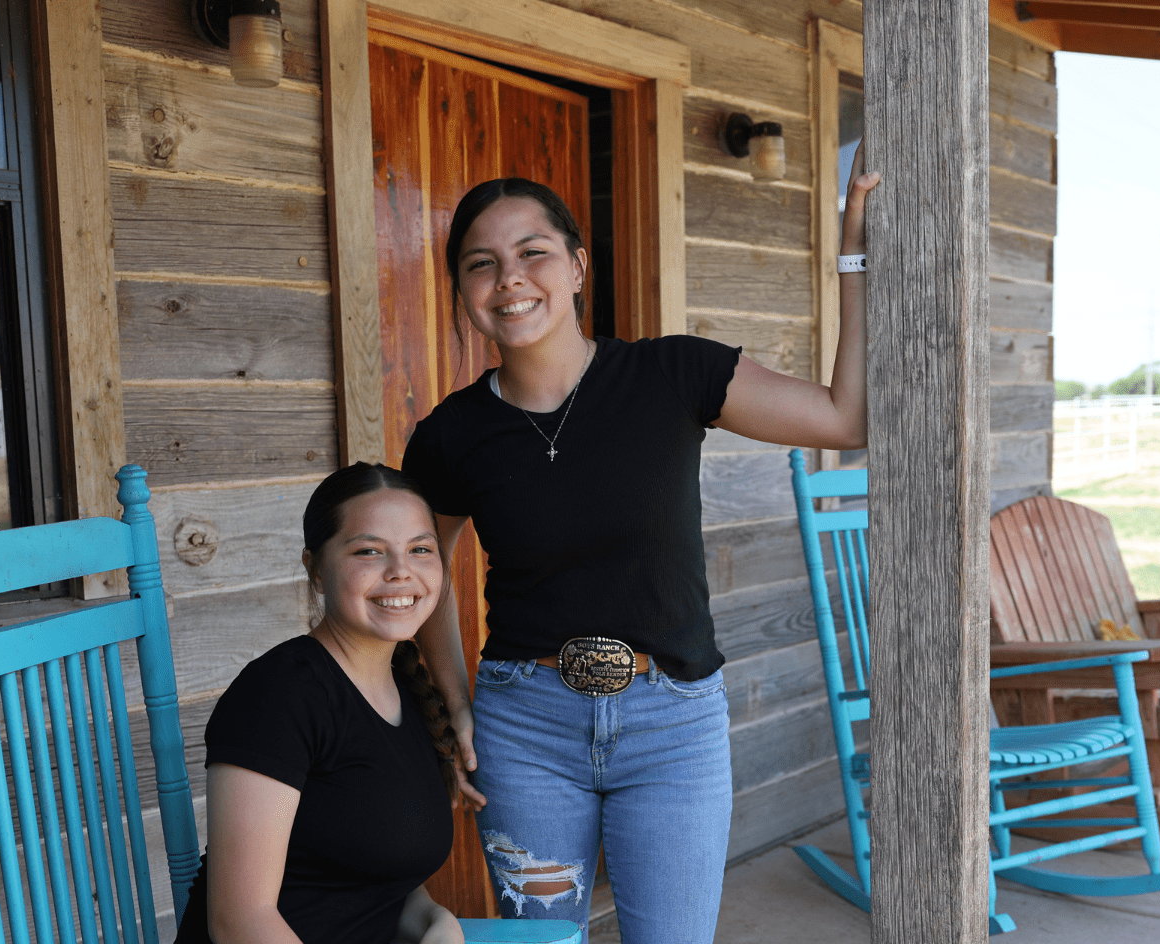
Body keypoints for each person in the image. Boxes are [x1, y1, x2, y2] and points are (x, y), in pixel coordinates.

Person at [400, 155, 878, 944]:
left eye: (532, 253)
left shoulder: (673, 373)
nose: (509, 279)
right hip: (525, 731)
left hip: (673, 724)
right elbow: (424, 576)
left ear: (578, 265)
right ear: (462, 289)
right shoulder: (451, 436)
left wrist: (851, 248)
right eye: (481, 264)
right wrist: (454, 703)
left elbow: (843, 417)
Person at [173, 462, 468, 944]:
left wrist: (437, 921)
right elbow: (240, 923)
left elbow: (372, 881)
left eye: (420, 549)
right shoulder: (279, 696)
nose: (400, 571)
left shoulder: (407, 688)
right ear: (315, 569)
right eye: (369, 551)